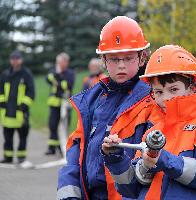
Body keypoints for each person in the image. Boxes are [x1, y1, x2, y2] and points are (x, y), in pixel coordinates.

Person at [102, 45, 196, 200]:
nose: (165, 98)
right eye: (158, 92)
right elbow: (130, 190)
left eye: (173, 90)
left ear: (193, 86)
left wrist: (164, 160)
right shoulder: (153, 132)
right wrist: (115, 157)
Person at [57, 16, 163, 200]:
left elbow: (150, 167)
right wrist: (69, 194)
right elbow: (76, 151)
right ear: (104, 60)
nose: (121, 65)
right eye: (114, 59)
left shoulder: (153, 100)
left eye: (128, 58)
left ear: (141, 58)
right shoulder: (92, 100)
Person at [0, 50, 35, 164]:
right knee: (7, 136)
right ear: (10, 60)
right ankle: (8, 156)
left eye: (17, 58)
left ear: (21, 60)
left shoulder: (26, 74)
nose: (15, 61)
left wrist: (23, 105)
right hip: (7, 112)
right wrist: (2, 102)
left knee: (23, 135)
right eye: (13, 59)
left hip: (21, 112)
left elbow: (31, 92)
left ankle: (21, 157)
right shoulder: (5, 74)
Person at [45, 52, 75, 155]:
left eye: (60, 62)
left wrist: (57, 78)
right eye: (57, 62)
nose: (58, 64)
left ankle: (63, 147)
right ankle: (52, 147)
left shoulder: (70, 73)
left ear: (66, 62)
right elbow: (48, 79)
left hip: (65, 104)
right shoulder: (54, 71)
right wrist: (58, 80)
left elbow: (67, 85)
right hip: (54, 103)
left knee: (64, 126)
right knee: (52, 125)